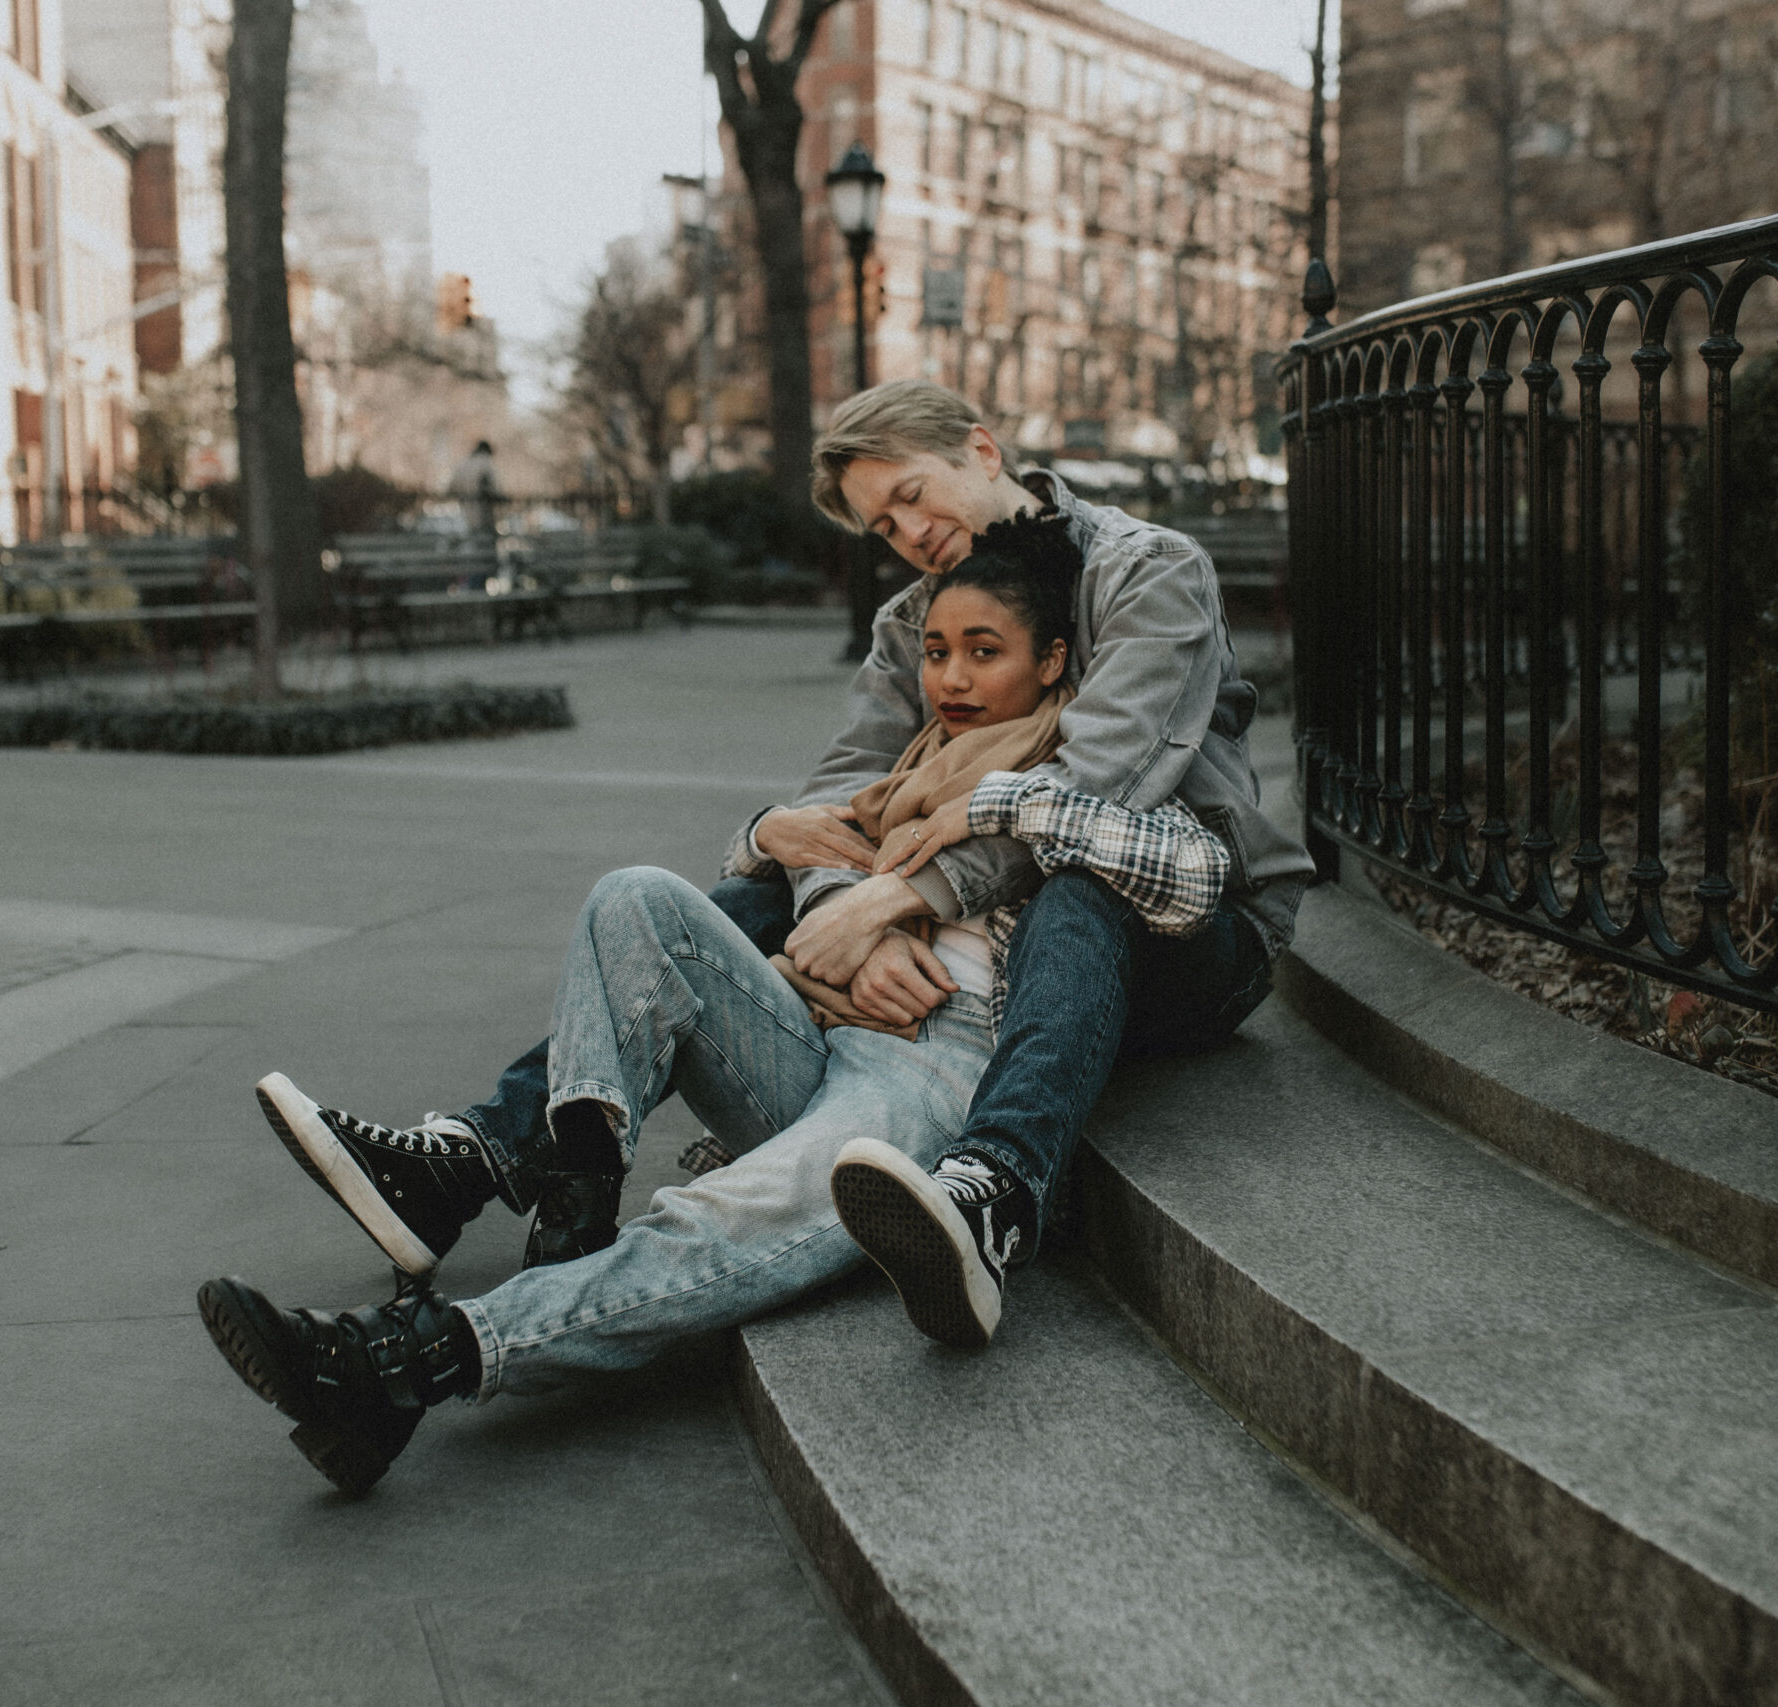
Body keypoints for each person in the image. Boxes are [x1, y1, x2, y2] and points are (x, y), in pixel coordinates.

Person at [238, 379, 1310, 1351]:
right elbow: (830, 806)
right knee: (747, 884)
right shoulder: (908, 624)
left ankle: (995, 1192)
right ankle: (484, 1156)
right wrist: (846, 906)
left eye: (913, 497)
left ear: (981, 450)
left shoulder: (1143, 572)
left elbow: (1094, 790)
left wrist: (905, 895)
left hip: (1178, 929)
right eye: (881, 526)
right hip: (965, 939)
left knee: (1083, 881)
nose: (908, 536)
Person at [199, 516, 1237, 1496]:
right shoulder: (908, 768)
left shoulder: (1079, 768)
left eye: (983, 651)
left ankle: (406, 1364)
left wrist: (1005, 803)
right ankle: (578, 1165)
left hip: (938, 1062)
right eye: (935, 651)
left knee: (718, 1216)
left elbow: (1191, 877)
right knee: (637, 896)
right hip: (816, 1027)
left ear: (1053, 661)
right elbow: (771, 856)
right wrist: (824, 886)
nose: (952, 679)